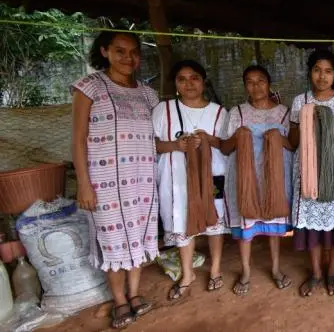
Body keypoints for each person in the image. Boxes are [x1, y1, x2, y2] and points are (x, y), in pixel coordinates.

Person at [71, 31, 159, 329]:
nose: (128, 58)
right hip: (104, 181)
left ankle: (135, 295)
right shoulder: (90, 87)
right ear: (105, 51)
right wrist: (84, 183)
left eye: (134, 52)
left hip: (142, 179)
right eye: (120, 51)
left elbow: (155, 138)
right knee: (112, 240)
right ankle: (120, 300)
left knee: (139, 234)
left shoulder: (148, 94)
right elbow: (79, 139)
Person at [153, 60, 229, 300]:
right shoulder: (163, 110)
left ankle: (215, 268)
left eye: (194, 77)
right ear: (175, 83)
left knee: (214, 219)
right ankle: (187, 274)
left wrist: (208, 140)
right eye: (182, 79)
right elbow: (151, 143)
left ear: (203, 81)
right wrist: (177, 145)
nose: (189, 83)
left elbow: (227, 146)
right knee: (180, 220)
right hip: (176, 178)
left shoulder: (219, 112)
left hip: (214, 177)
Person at [220, 65, 294, 296]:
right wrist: (238, 136)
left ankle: (274, 268)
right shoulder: (237, 113)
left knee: (273, 224)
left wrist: (278, 138)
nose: (256, 86)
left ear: (269, 83)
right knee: (246, 225)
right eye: (250, 82)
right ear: (245, 86)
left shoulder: (284, 112)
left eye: (260, 80)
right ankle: (245, 272)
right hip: (245, 176)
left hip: (274, 176)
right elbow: (225, 147)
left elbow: (292, 146)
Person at [289, 49, 334, 297]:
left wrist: (333, 124)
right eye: (317, 70)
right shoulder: (300, 101)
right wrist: (307, 119)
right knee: (311, 225)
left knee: (333, 223)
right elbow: (293, 138)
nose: (322, 76)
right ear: (310, 73)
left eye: (328, 71)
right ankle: (316, 273)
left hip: (333, 173)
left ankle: (333, 271)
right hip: (306, 171)